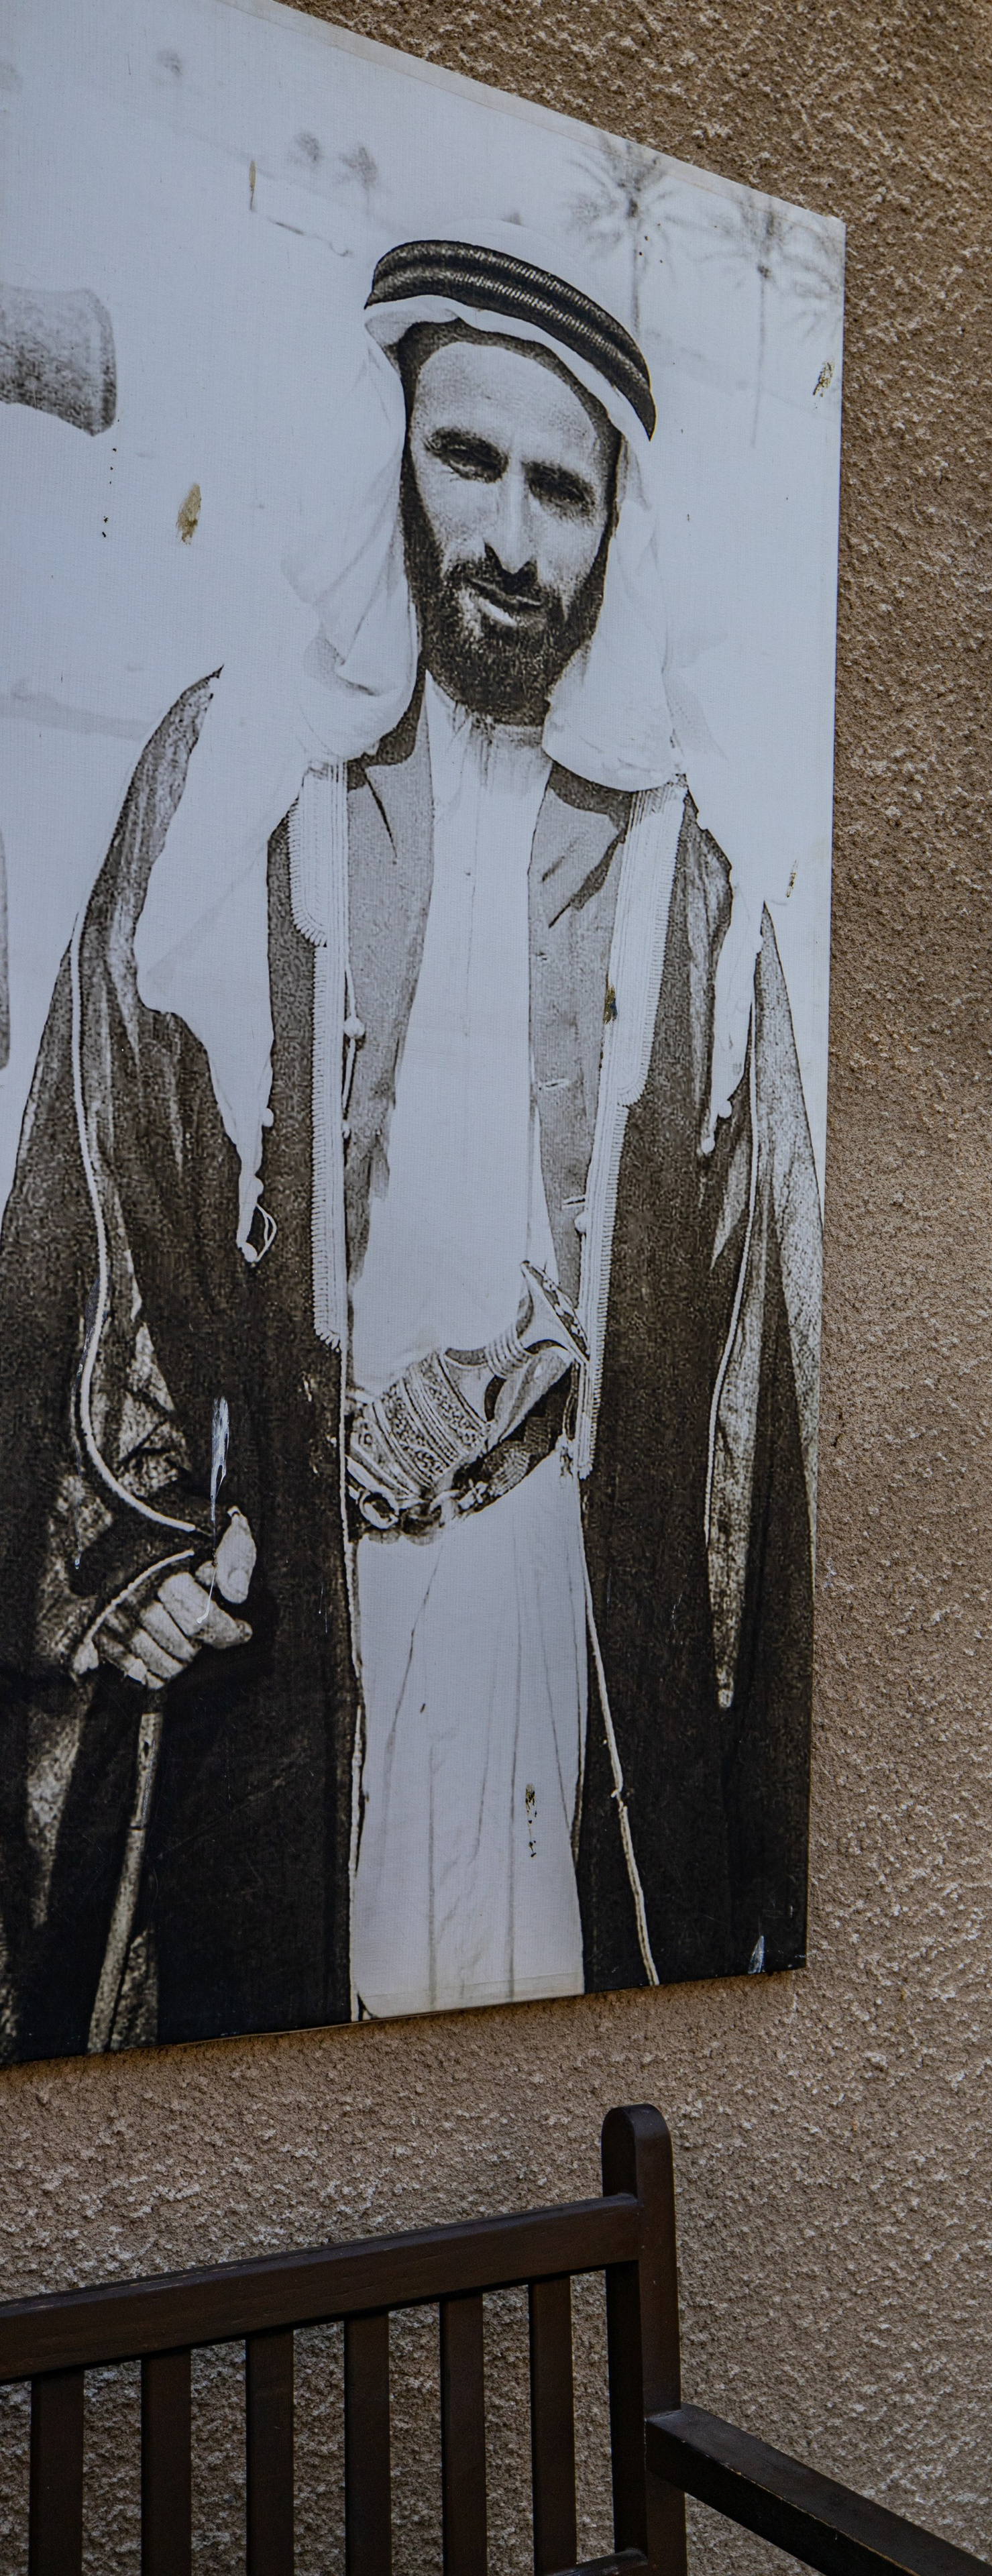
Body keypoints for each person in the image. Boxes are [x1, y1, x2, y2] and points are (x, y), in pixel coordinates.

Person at [0, 233, 820, 2061]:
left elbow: (743, 1367)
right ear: (394, 459)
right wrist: (136, 1538)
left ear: (612, 529)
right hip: (297, 1602)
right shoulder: (236, 775)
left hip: (555, 1616)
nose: (511, 540)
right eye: (468, 461)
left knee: (536, 2051)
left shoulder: (682, 881)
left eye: (560, 491)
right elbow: (102, 1177)